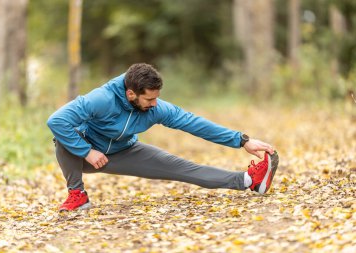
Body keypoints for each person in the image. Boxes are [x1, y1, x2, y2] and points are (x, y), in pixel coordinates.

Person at [47, 63, 279, 211]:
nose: (155, 104)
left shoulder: (157, 108)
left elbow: (194, 123)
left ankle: (249, 181)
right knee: (63, 139)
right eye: (149, 99)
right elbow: (57, 120)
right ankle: (77, 194)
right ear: (131, 94)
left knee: (183, 168)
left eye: (157, 98)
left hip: (123, 152)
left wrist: (242, 140)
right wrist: (87, 151)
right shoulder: (101, 99)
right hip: (85, 155)